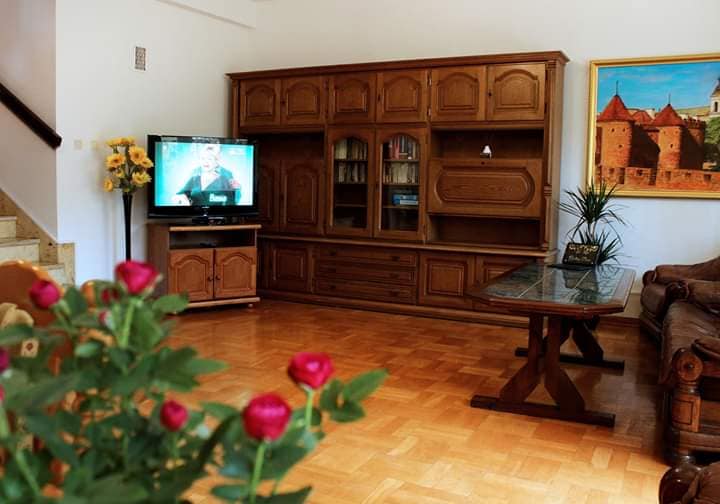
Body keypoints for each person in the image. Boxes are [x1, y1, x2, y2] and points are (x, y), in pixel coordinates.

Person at [174, 144, 240, 206]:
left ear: (216, 161)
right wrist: (182, 199)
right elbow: (177, 196)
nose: (205, 162)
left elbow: (232, 203)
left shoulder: (224, 180)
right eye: (203, 158)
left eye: (209, 159)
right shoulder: (194, 179)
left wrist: (237, 189)